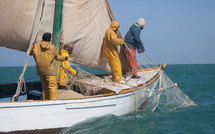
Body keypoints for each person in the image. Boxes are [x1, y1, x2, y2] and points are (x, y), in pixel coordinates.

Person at [29, 32, 67, 100]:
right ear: (50, 39)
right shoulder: (51, 47)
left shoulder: (35, 46)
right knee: (52, 87)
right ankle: (53, 101)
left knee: (45, 87)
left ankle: (45, 100)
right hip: (49, 71)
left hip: (40, 71)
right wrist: (64, 58)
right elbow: (57, 57)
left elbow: (29, 53)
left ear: (42, 38)